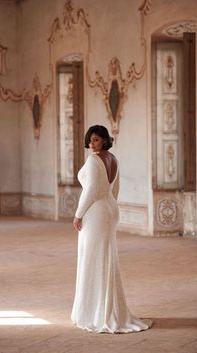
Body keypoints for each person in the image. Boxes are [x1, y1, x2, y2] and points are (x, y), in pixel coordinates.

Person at [71, 125, 152, 333]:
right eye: (90, 140)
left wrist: (78, 214)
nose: (91, 144)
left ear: (105, 140)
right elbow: (115, 188)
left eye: (96, 140)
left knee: (93, 259)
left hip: (96, 211)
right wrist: (111, 207)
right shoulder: (113, 159)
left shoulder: (93, 160)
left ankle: (95, 313)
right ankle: (105, 309)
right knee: (105, 258)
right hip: (108, 209)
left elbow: (90, 190)